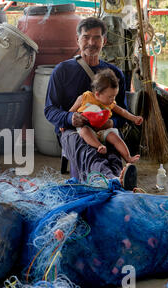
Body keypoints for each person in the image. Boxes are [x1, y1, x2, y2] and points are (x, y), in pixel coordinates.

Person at [44, 17, 138, 190]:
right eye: (86, 37)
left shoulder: (114, 73)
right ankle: (113, 181)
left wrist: (113, 122)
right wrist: (70, 117)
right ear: (77, 40)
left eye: (97, 38)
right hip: (73, 130)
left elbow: (122, 112)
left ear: (104, 41)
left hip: (104, 128)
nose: (91, 42)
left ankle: (117, 180)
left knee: (114, 149)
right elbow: (50, 110)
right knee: (88, 152)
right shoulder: (62, 71)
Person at [66, 68, 143, 163]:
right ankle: (99, 146)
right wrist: (64, 123)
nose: (113, 99)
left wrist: (134, 118)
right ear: (97, 94)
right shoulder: (85, 98)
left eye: (114, 96)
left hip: (104, 129)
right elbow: (70, 112)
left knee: (116, 138)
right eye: (110, 97)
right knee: (84, 131)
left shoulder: (110, 103)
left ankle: (128, 157)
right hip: (88, 127)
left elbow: (122, 111)